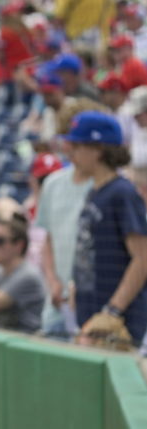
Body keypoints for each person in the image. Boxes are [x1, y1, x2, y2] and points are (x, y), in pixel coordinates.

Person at [68, 111, 147, 348]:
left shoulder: (122, 192)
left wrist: (113, 310)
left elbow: (142, 258)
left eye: (77, 145)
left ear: (98, 150)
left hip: (116, 322)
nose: (71, 153)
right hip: (90, 316)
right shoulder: (96, 190)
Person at [34, 143, 93, 339]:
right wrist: (53, 281)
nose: (72, 148)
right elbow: (48, 239)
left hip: (91, 301)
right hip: (58, 302)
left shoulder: (108, 186)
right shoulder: (52, 184)